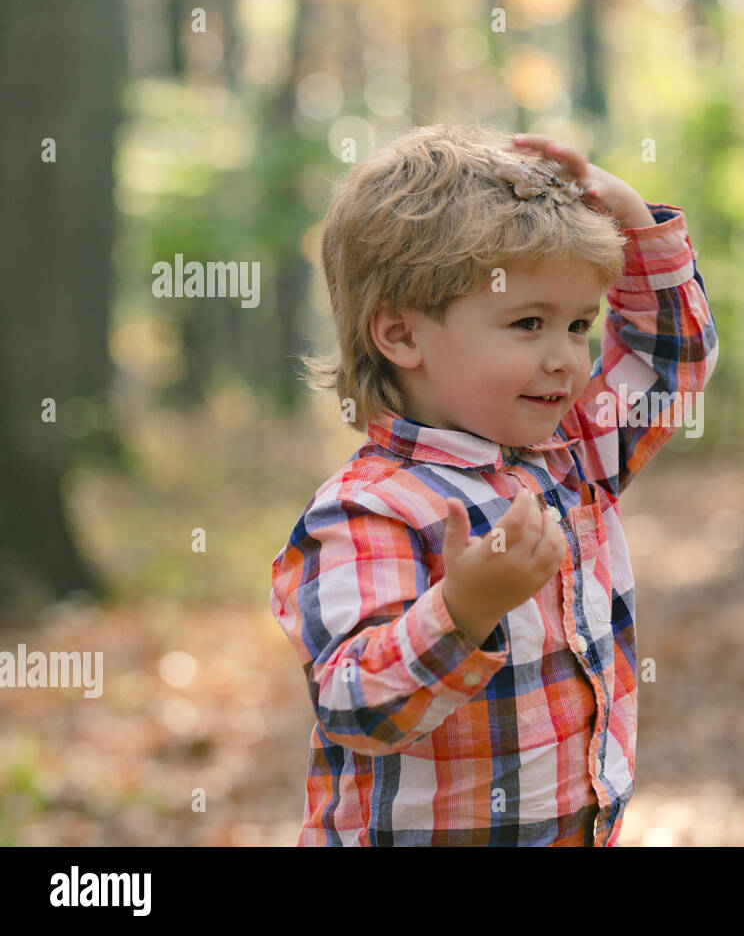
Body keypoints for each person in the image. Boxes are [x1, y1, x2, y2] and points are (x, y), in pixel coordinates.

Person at [269, 123, 719, 845]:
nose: (568, 360)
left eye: (579, 324)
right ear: (402, 335)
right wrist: (461, 610)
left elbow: (667, 362)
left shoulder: (571, 458)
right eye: (529, 322)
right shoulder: (368, 508)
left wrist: (634, 218)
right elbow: (356, 705)